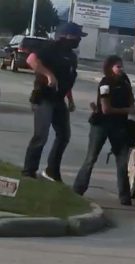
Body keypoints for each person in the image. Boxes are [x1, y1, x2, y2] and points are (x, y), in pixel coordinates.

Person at [22, 22, 86, 181]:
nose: (79, 40)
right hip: (43, 97)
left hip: (59, 100)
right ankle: (29, 171)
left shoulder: (71, 56)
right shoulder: (51, 48)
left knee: (64, 135)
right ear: (68, 36)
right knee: (41, 135)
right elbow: (31, 60)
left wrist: (70, 99)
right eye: (77, 36)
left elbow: (68, 78)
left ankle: (52, 170)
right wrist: (48, 75)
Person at [73, 56, 135, 206]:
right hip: (101, 124)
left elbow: (131, 100)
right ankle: (77, 190)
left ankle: (125, 197)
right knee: (91, 158)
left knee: (122, 161)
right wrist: (126, 110)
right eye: (117, 67)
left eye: (121, 66)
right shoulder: (105, 83)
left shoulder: (125, 81)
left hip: (119, 126)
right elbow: (106, 109)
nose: (121, 69)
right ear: (110, 68)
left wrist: (129, 108)